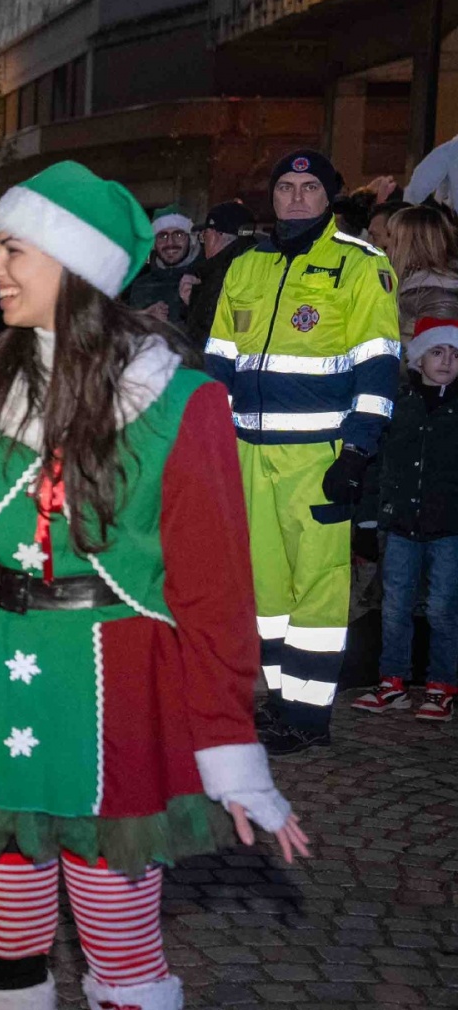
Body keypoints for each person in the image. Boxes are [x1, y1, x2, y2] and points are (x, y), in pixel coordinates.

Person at [0, 160, 310, 1010]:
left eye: (15, 250)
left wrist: (230, 749)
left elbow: (214, 594)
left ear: (76, 266)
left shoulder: (180, 403)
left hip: (117, 696)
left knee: (121, 951)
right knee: (5, 949)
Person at [204, 149, 401, 754]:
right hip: (246, 452)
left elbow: (380, 367)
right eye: (285, 186)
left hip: (319, 456)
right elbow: (218, 358)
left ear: (329, 197)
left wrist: (357, 453)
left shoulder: (359, 266)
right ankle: (279, 700)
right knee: (263, 593)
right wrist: (206, 440)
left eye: (308, 187)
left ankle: (309, 716)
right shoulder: (246, 265)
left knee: (317, 588)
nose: (295, 196)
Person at [353, 317, 458, 721]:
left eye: (454, 353)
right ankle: (392, 682)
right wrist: (367, 519)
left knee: (442, 608)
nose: (446, 360)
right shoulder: (399, 406)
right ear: (418, 359)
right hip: (401, 525)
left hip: (448, 526)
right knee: (395, 605)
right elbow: (377, 466)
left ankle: (441, 686)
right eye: (437, 351)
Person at [181, 201, 259, 351]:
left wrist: (194, 301)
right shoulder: (255, 266)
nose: (203, 242)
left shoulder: (226, 273)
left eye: (205, 235)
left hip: (219, 367)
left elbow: (238, 330)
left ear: (217, 235)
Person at [384, 203, 458, 339]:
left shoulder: (438, 296)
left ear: (412, 243)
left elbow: (440, 355)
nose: (385, 244)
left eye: (391, 236)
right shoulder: (415, 288)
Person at [122, 205, 198, 323]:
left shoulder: (206, 279)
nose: (170, 243)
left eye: (178, 235)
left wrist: (195, 306)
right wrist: (145, 319)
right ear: (154, 243)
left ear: (191, 239)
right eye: (162, 236)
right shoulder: (140, 286)